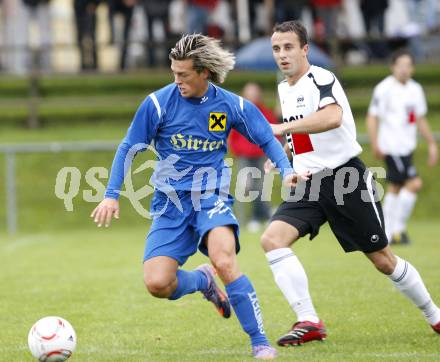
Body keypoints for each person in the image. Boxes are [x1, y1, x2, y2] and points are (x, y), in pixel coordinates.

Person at [91, 33, 304, 359]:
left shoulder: (231, 104)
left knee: (224, 259)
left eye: (183, 74)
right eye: (174, 73)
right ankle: (203, 281)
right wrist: (111, 195)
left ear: (204, 72)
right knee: (157, 284)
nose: (177, 80)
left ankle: (259, 341)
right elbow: (128, 147)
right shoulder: (158, 104)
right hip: (170, 203)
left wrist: (286, 168)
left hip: (211, 195)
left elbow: (265, 137)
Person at [260, 20, 440, 347]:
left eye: (288, 47)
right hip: (309, 184)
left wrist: (279, 129)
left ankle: (434, 315)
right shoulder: (284, 89)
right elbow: (298, 132)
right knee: (272, 240)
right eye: (276, 48)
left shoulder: (321, 78)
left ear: (304, 49)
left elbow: (332, 117)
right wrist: (282, 152)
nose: (282, 55)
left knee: (383, 259)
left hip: (345, 179)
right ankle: (309, 320)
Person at [366, 49, 438, 245]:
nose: (404, 69)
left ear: (413, 68)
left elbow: (419, 118)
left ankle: (388, 232)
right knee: (414, 184)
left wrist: (431, 143)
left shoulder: (415, 89)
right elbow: (372, 116)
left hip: (407, 147)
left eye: (408, 65)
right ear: (393, 67)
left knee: (396, 188)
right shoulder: (384, 88)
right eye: (400, 65)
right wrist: (375, 143)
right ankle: (397, 229)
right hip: (392, 147)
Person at [229, 81, 278, 231]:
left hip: (261, 156)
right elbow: (232, 137)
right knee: (245, 187)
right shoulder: (238, 114)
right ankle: (242, 220)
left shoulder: (266, 113)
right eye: (250, 93)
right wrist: (238, 151)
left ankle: (258, 217)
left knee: (261, 187)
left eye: (255, 92)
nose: (253, 96)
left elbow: (273, 134)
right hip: (244, 157)